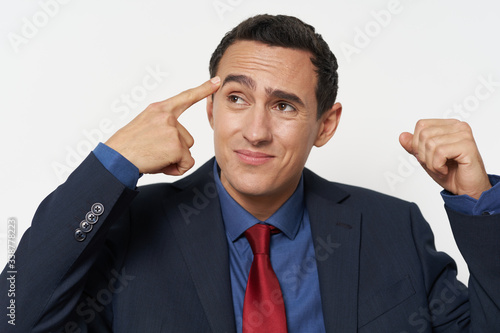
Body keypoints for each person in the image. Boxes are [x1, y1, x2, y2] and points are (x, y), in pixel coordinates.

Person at [1, 14, 499, 333]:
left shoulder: (394, 227)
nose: (255, 132)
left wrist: (478, 203)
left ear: (325, 125)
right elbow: (15, 316)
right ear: (212, 111)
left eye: (284, 106)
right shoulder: (131, 228)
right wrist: (113, 163)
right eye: (237, 99)